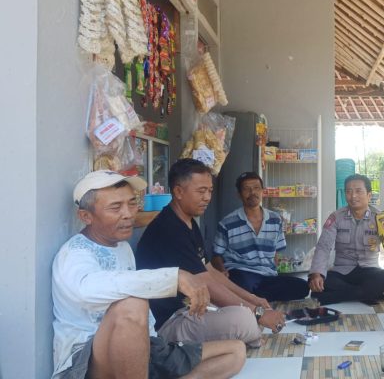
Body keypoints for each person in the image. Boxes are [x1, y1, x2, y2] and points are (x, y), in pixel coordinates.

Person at [52, 170, 245, 379]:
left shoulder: (122, 247)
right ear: (86, 216)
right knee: (132, 305)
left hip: (141, 350)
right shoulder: (75, 253)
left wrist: (155, 344)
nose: (128, 214)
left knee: (235, 352)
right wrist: (173, 278)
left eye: (132, 203)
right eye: (115, 207)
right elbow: (86, 290)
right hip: (85, 363)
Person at [136, 159, 286, 348]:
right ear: (178, 192)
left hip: (193, 308)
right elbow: (205, 281)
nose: (207, 197)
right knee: (244, 319)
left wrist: (253, 299)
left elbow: (210, 271)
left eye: (210, 191)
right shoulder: (169, 229)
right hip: (170, 322)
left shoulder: (188, 222)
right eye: (201, 191)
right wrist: (258, 313)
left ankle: (242, 336)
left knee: (246, 314)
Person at [211, 171, 309, 301]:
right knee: (243, 283)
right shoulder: (227, 223)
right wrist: (222, 272)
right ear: (239, 194)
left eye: (256, 188)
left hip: (267, 276)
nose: (252, 192)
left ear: (262, 191)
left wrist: (272, 271)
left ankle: (252, 297)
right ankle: (253, 296)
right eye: (247, 189)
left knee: (302, 287)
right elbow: (216, 256)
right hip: (242, 272)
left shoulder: (275, 219)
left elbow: (276, 254)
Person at [308, 174, 384, 304]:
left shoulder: (381, 218)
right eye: (349, 191)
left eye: (358, 191)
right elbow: (323, 246)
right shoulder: (336, 217)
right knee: (320, 283)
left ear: (369, 195)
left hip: (370, 270)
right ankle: (364, 294)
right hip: (342, 272)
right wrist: (317, 274)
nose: (353, 196)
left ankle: (343, 295)